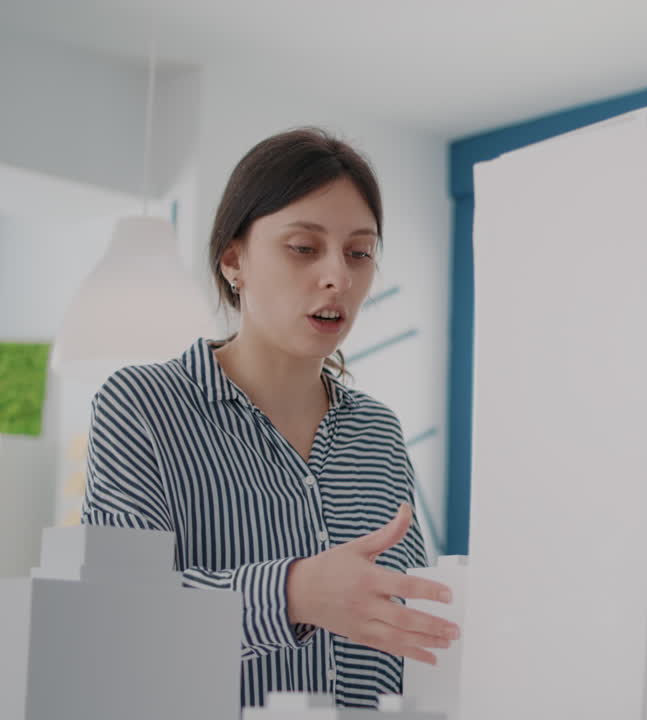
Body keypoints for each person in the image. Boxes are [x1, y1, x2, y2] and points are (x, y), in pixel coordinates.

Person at [82, 128, 457, 708]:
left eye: (359, 252)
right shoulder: (141, 406)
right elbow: (117, 621)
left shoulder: (378, 433)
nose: (340, 276)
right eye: (304, 247)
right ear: (234, 260)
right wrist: (293, 593)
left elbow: (407, 628)